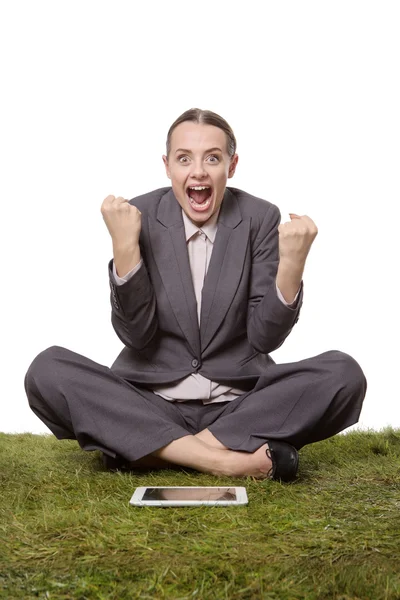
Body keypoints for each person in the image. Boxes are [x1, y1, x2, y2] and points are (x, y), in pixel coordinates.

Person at [24, 108, 367, 482]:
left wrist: (293, 265)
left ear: (231, 166)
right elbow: (136, 336)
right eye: (184, 158)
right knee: (46, 370)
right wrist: (124, 247)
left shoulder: (259, 217)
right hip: (149, 402)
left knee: (344, 374)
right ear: (167, 166)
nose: (198, 171)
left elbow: (264, 338)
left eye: (213, 158)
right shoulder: (138, 214)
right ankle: (225, 461)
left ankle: (149, 451)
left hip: (238, 407)